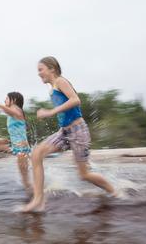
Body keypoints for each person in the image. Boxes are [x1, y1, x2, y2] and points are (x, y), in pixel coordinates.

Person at [21, 56, 116, 212]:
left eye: (40, 69)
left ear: (52, 68)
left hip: (78, 132)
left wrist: (51, 112)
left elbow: (75, 100)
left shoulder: (60, 81)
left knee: (84, 175)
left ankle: (114, 192)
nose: (38, 73)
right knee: (36, 153)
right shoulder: (52, 88)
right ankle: (38, 199)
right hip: (64, 132)